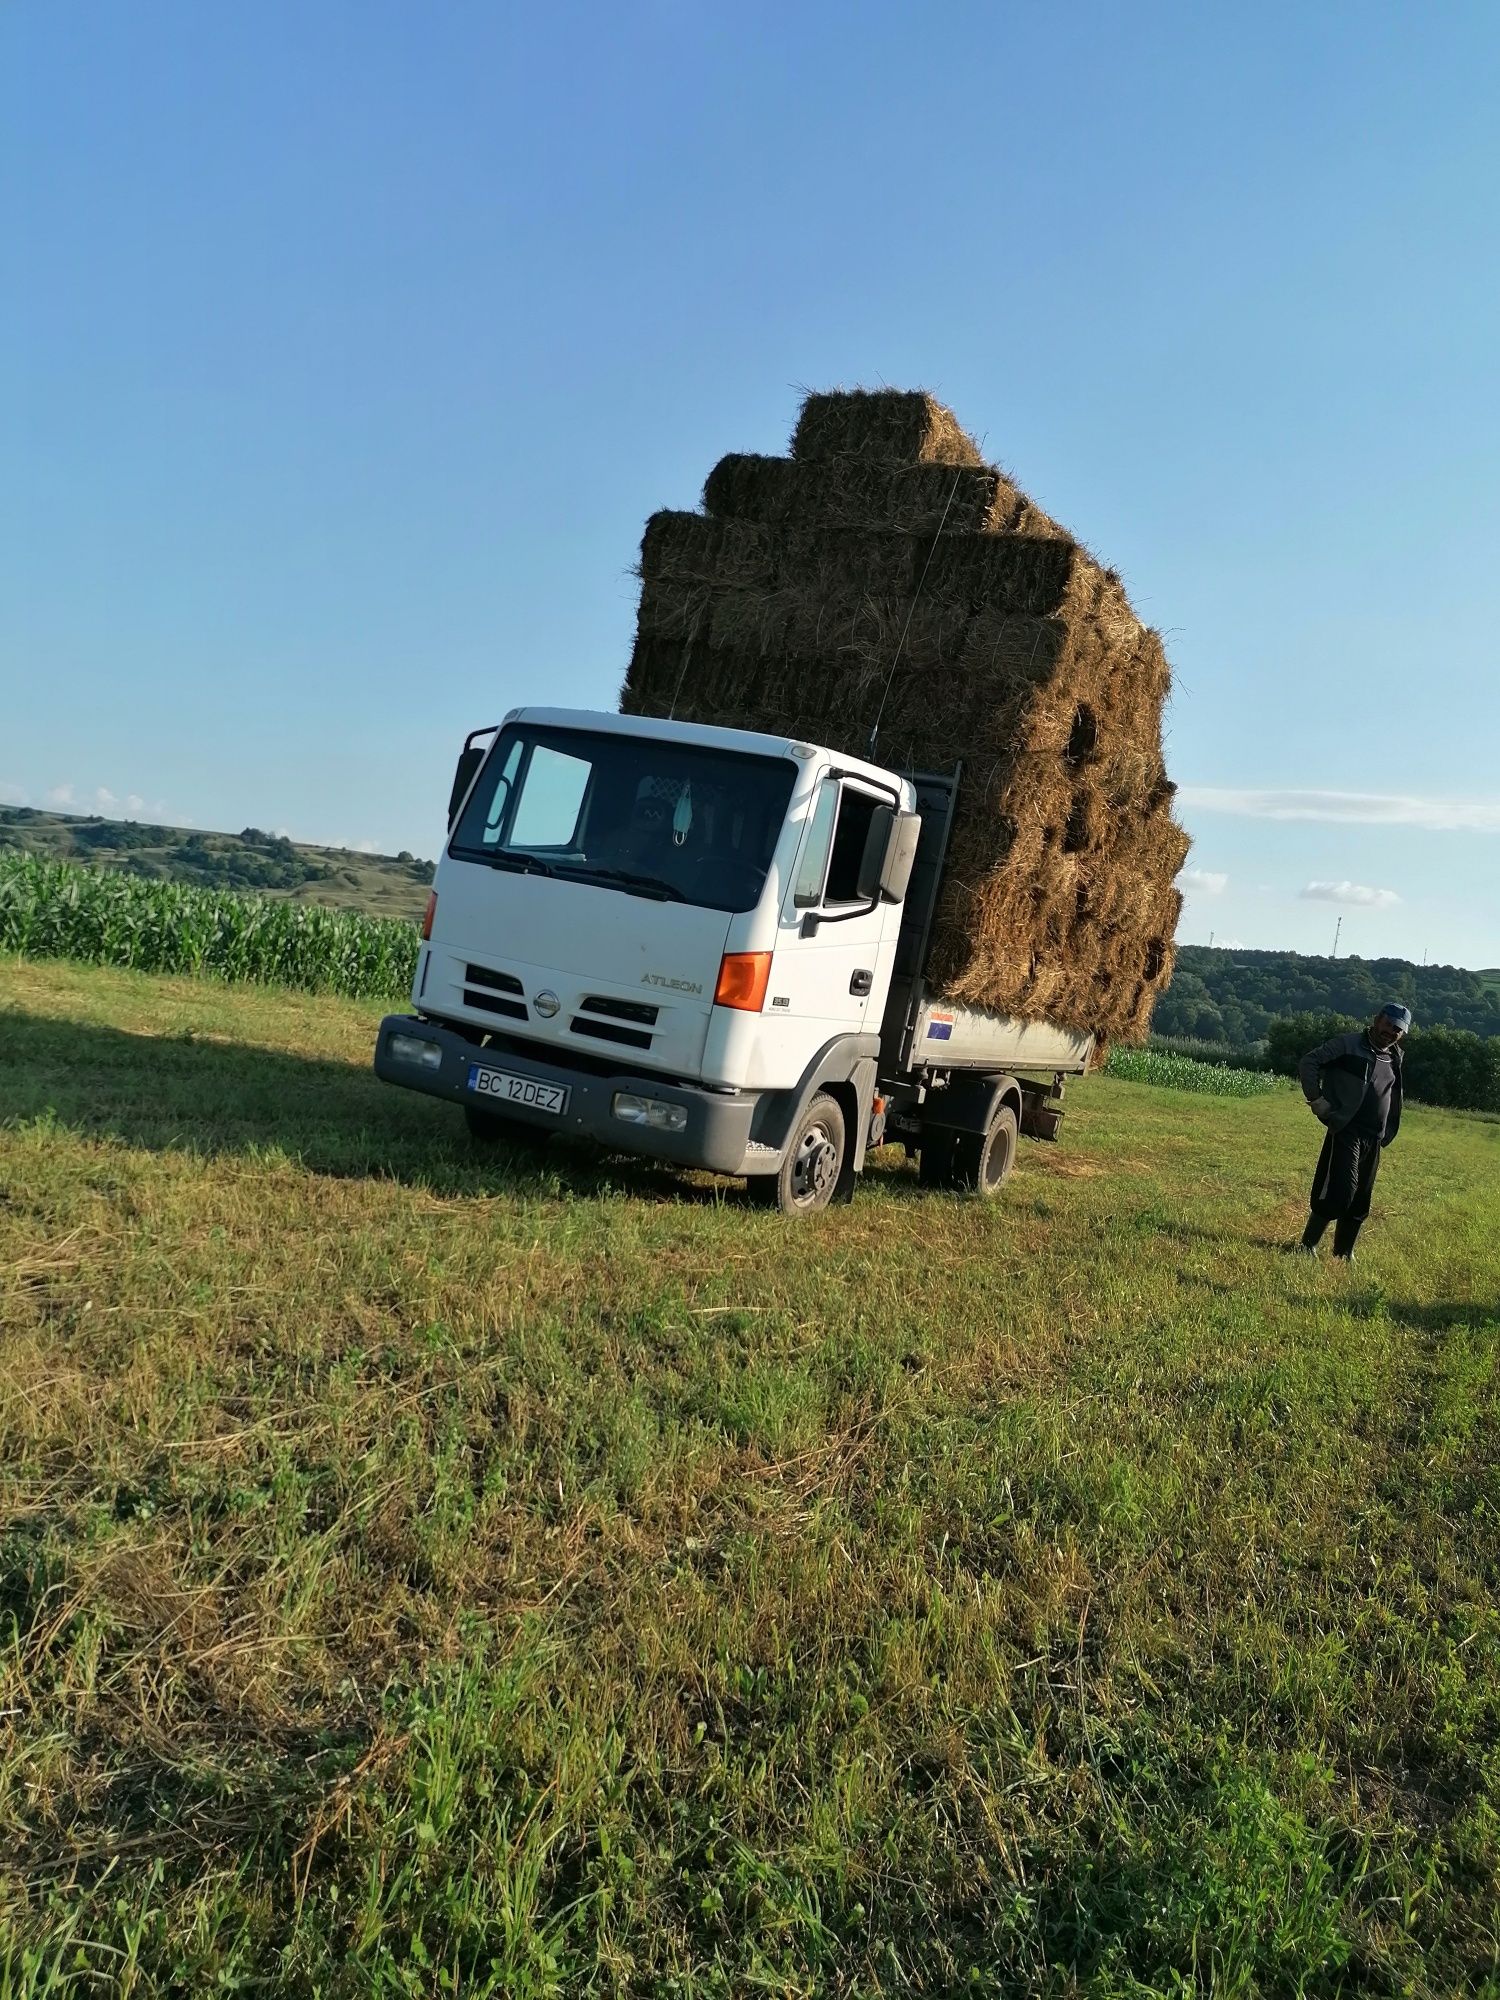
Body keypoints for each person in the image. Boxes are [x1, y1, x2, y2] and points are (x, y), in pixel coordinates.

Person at [1294, 1002, 1411, 1260]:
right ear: (1377, 1019)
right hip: (1347, 1129)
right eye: (1388, 1024)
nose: (1390, 1032)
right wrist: (1317, 1099)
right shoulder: (1347, 1045)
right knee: (1340, 1190)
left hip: (1375, 1136)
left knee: (1360, 1198)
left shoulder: (1394, 1057)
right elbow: (1309, 1061)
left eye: (1397, 1029)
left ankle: (1344, 1253)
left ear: (1402, 1034)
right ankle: (1306, 1246)